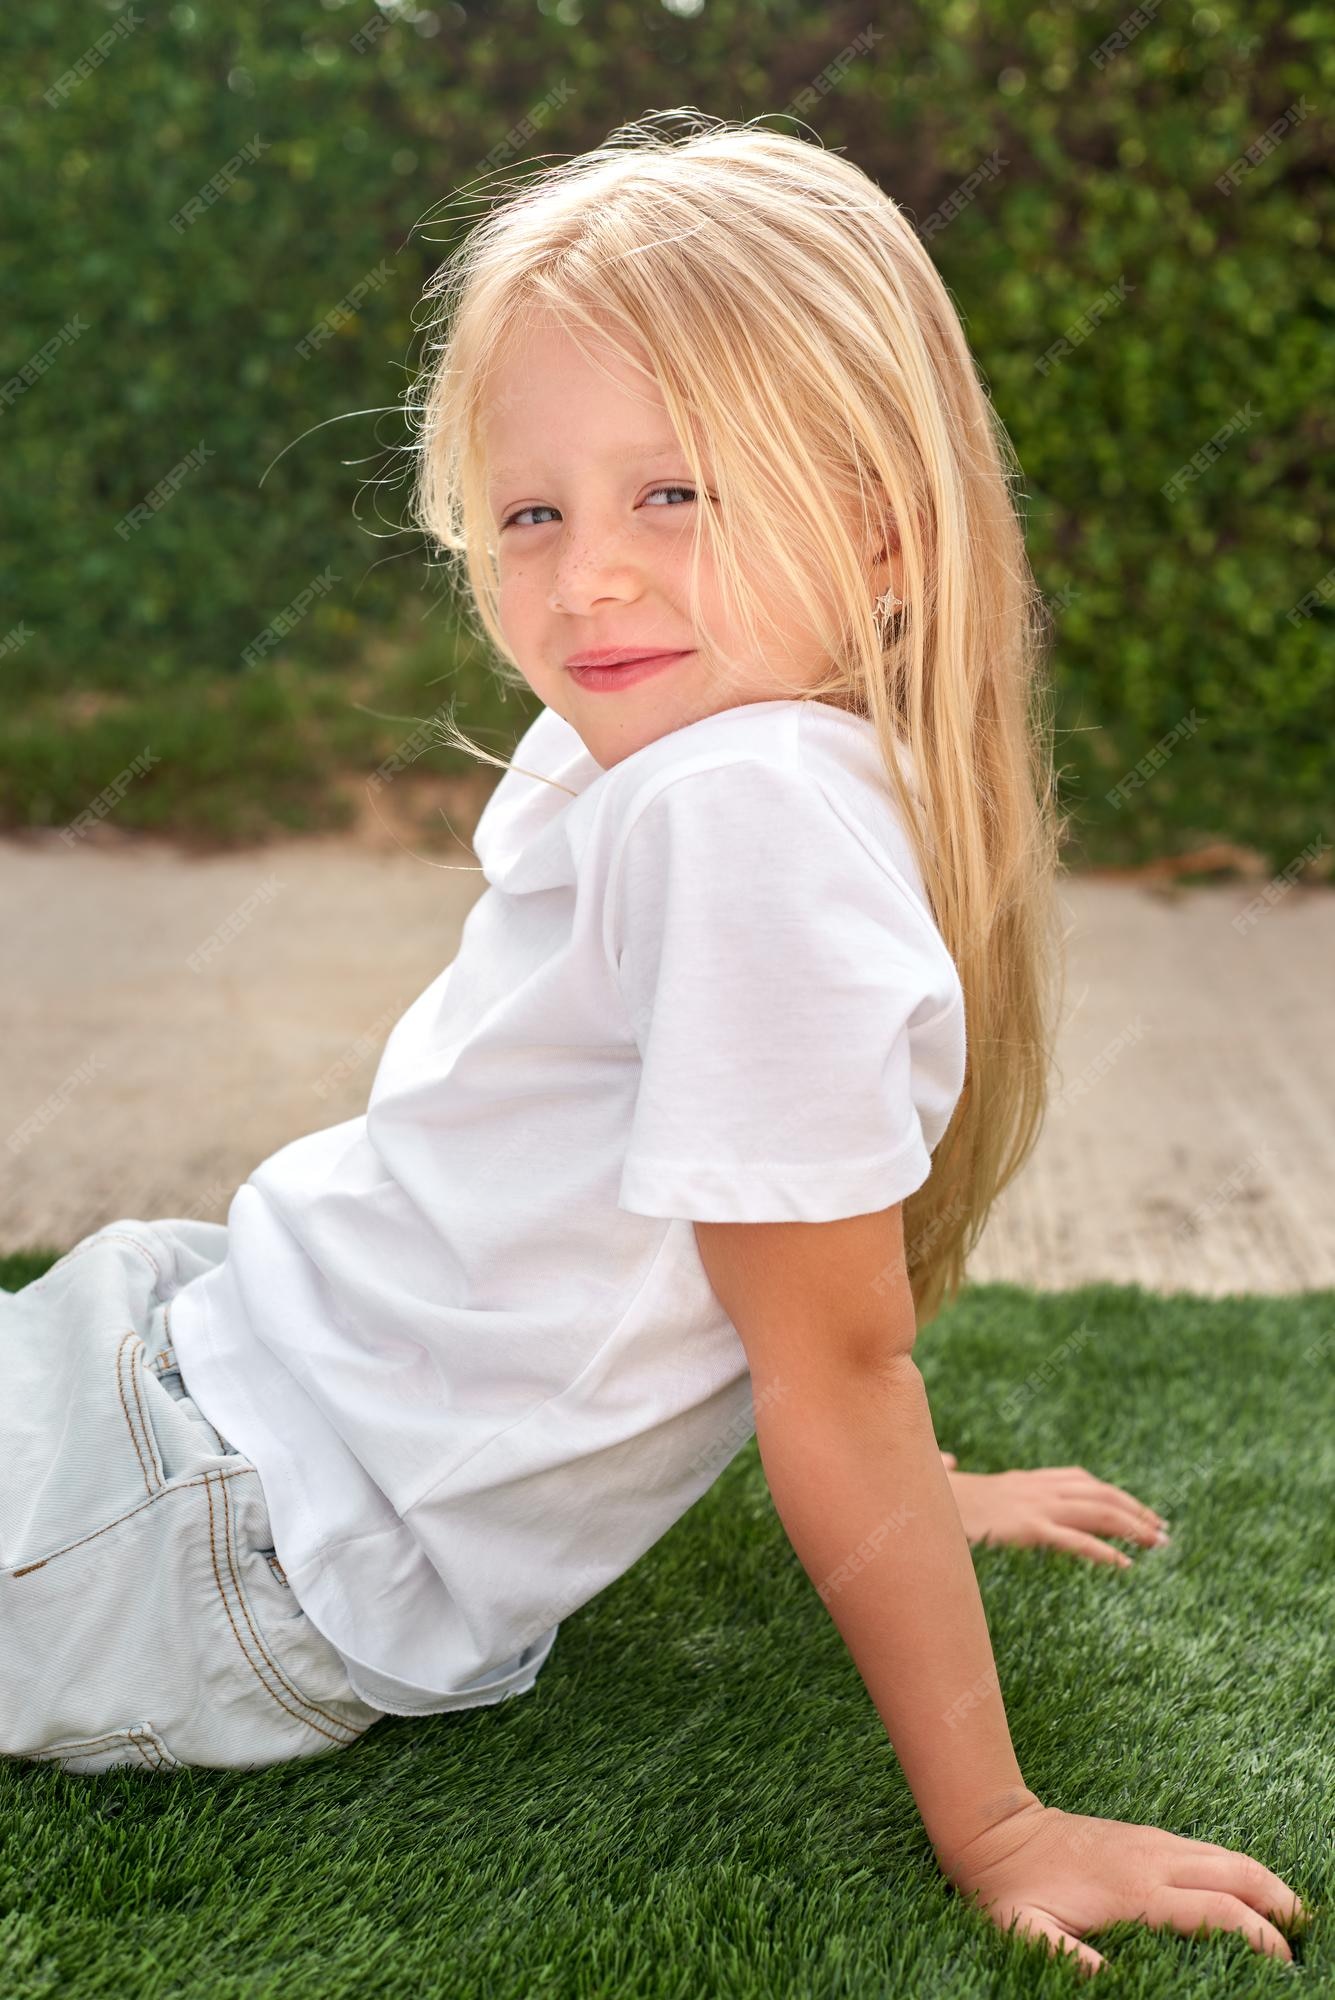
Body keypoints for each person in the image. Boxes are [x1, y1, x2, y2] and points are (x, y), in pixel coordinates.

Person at [1, 112, 1306, 1975]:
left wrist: (1004, 1822)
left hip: (232, 1523)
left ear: (884, 526)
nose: (588, 577)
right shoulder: (715, 765)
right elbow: (772, 1307)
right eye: (535, 512)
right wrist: (908, 1481)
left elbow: (825, 1356)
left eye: (673, 494)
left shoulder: (743, 804)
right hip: (213, 1396)